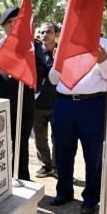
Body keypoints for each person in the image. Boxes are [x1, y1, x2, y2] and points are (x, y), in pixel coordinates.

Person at [49, 40, 107, 214]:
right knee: (62, 152)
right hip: (64, 104)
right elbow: (53, 79)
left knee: (93, 155)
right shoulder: (65, 43)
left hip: (93, 104)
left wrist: (103, 62)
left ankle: (91, 198)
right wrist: (56, 64)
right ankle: (64, 192)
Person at [0, 6, 47, 181]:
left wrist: (27, 71)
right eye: (9, 22)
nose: (13, 24)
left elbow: (42, 70)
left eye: (16, 21)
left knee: (21, 143)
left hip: (23, 102)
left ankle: (21, 178)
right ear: (3, 25)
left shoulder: (33, 45)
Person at [33, 22, 59, 178]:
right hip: (37, 103)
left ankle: (58, 167)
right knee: (39, 138)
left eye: (49, 32)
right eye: (42, 32)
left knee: (59, 139)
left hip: (59, 103)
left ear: (56, 34)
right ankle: (46, 166)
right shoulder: (35, 53)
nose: (44, 35)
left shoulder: (63, 52)